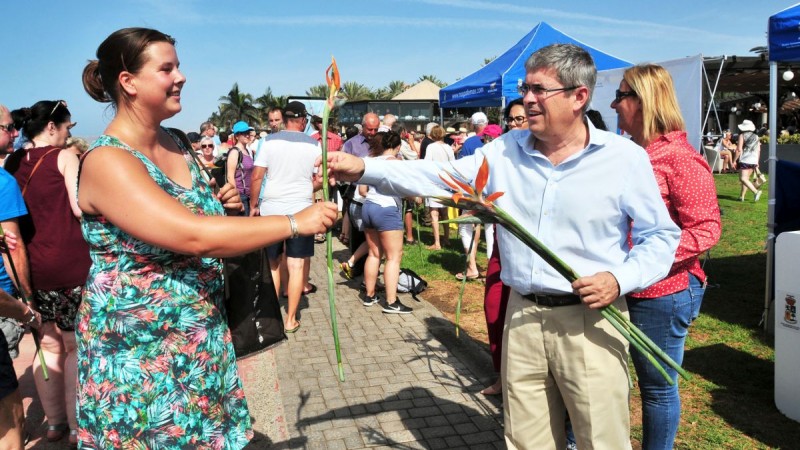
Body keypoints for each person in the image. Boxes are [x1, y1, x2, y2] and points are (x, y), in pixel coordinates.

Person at [321, 43, 680, 450]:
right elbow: (440, 176)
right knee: (527, 439)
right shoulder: (505, 151)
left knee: (601, 438)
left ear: (579, 96)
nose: (526, 99)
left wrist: (619, 279)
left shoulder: (623, 158)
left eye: (539, 90)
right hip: (523, 315)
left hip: (591, 321)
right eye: (526, 88)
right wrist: (365, 167)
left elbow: (661, 236)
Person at [78, 27, 337, 449]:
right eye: (166, 68)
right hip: (141, 353)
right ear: (128, 82)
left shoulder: (178, 142)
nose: (181, 77)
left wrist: (226, 206)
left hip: (199, 337)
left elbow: (195, 218)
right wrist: (294, 222)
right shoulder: (108, 160)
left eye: (178, 66)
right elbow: (192, 235)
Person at [611, 64, 721, 450]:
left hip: (663, 292)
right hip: (622, 288)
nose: (613, 104)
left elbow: (706, 228)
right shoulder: (631, 153)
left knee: (656, 388)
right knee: (610, 379)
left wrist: (645, 262)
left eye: (621, 96)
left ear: (643, 101)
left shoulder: (677, 158)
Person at [5, 100, 88, 445]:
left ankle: (53, 423)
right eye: (68, 126)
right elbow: (79, 208)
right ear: (52, 126)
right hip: (68, 263)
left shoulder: (12, 162)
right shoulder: (64, 157)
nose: (70, 133)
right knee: (72, 346)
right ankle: (73, 426)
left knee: (47, 344)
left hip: (29, 269)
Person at [249, 101, 322, 333]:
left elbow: (257, 176)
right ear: (302, 120)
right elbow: (319, 179)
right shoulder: (314, 144)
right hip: (301, 211)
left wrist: (253, 205)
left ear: (283, 119)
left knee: (272, 262)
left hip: (271, 208)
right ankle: (291, 319)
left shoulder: (267, 142)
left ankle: (273, 317)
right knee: (296, 264)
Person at [359, 131, 411, 313]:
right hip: (387, 208)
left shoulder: (370, 160)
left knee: (374, 254)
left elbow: (362, 190)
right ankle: (391, 301)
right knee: (393, 257)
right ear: (398, 147)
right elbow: (406, 188)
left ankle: (370, 294)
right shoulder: (397, 163)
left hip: (368, 206)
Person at [422, 125, 453, 250]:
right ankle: (447, 238)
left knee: (434, 213)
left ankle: (437, 242)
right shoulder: (448, 148)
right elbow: (453, 164)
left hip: (434, 181)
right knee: (445, 212)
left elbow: (427, 163)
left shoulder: (431, 147)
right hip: (446, 182)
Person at [227, 121, 255, 216]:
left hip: (249, 195)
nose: (247, 135)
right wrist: (237, 199)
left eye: (248, 133)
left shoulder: (247, 150)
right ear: (237, 136)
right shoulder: (235, 152)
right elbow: (230, 177)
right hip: (241, 196)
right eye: (244, 133)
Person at [736, 120, 763, 202]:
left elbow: (739, 149)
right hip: (754, 159)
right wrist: (757, 162)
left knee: (743, 179)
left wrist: (734, 160)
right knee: (746, 179)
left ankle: (756, 192)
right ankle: (742, 196)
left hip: (745, 159)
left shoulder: (742, 135)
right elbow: (758, 150)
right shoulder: (756, 136)